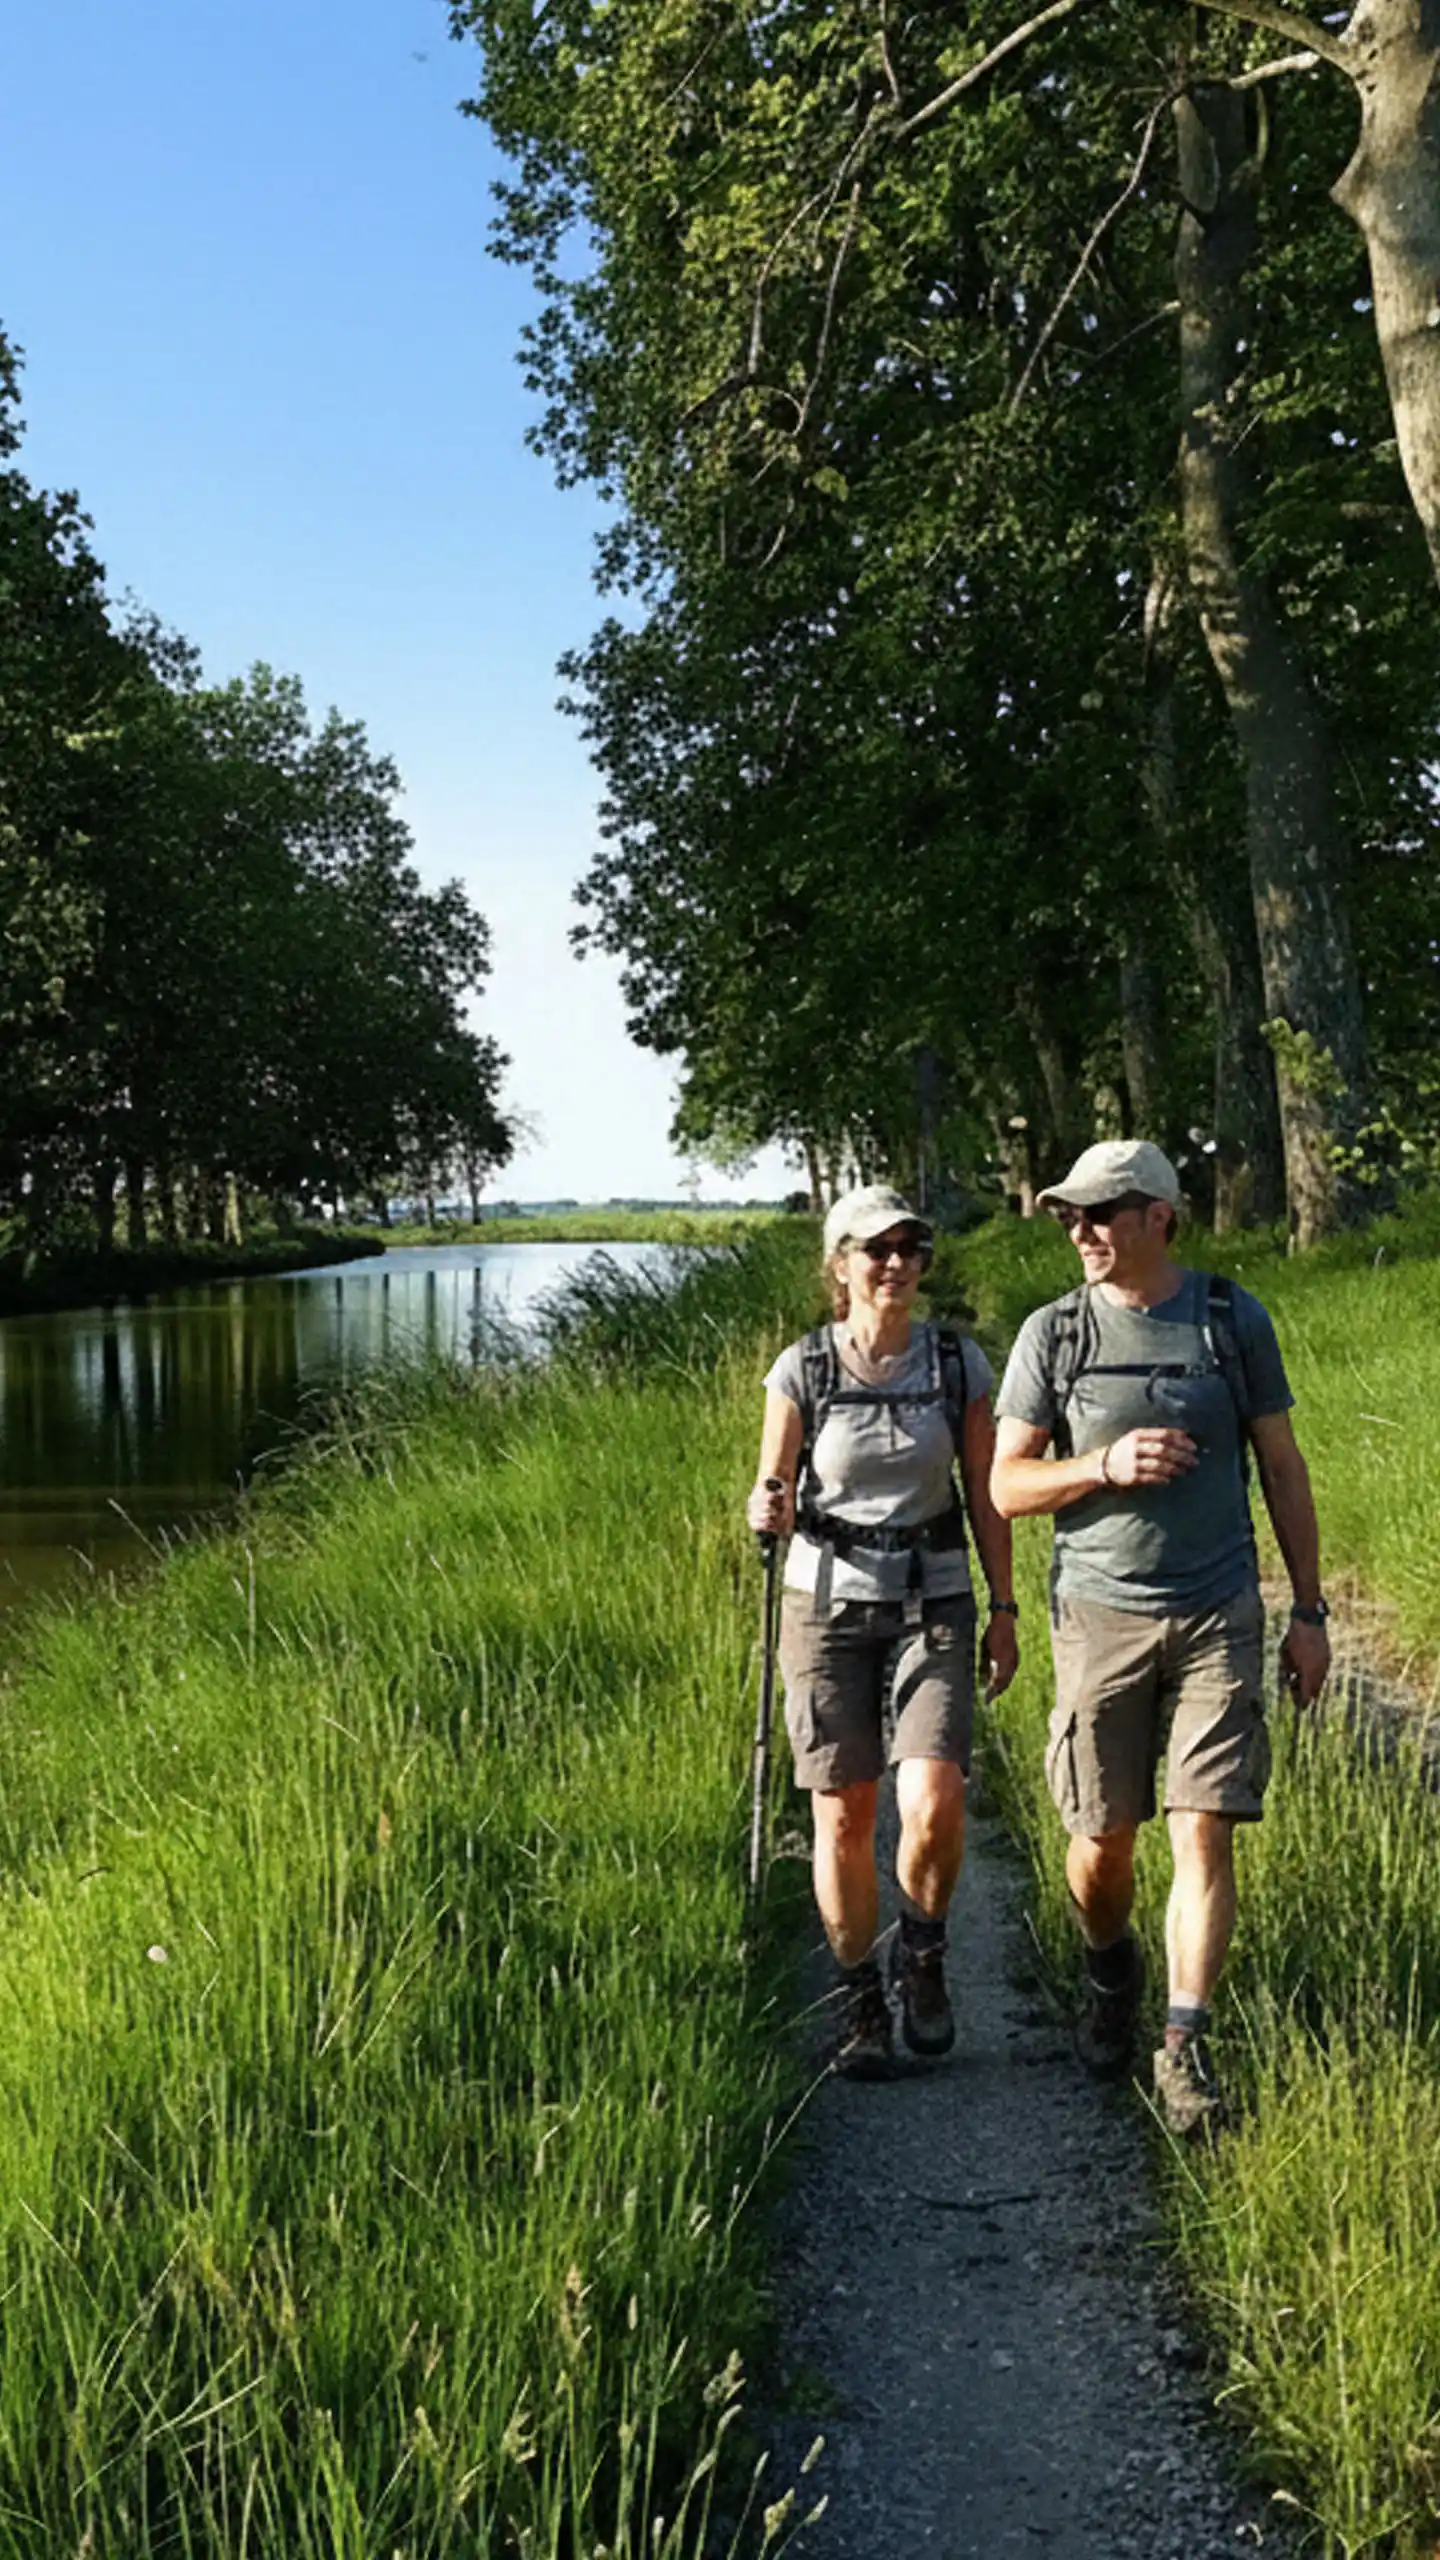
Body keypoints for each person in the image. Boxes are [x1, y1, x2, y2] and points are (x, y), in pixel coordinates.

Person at [990, 1139, 1330, 2137]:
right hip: (1100, 1615)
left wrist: (1309, 1612)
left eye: (1102, 1213)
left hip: (1219, 1607)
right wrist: (1103, 1463)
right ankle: (1110, 1966)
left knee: (1204, 1824)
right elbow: (1008, 1486)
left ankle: (1183, 2047)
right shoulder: (1053, 1335)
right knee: (1101, 1845)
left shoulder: (1231, 1319)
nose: (1082, 1231)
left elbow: (1282, 1463)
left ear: (1160, 1217)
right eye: (1070, 1216)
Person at [747, 1184, 1018, 2077]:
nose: (896, 1262)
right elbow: (772, 1486)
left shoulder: (955, 1364)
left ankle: (925, 1955)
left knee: (934, 1799)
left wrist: (1005, 1607)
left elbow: (987, 1495)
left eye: (910, 1247)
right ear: (841, 1265)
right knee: (843, 1812)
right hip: (823, 1608)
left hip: (933, 1600)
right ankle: (860, 1995)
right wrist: (765, 1507)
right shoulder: (804, 1370)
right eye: (876, 1249)